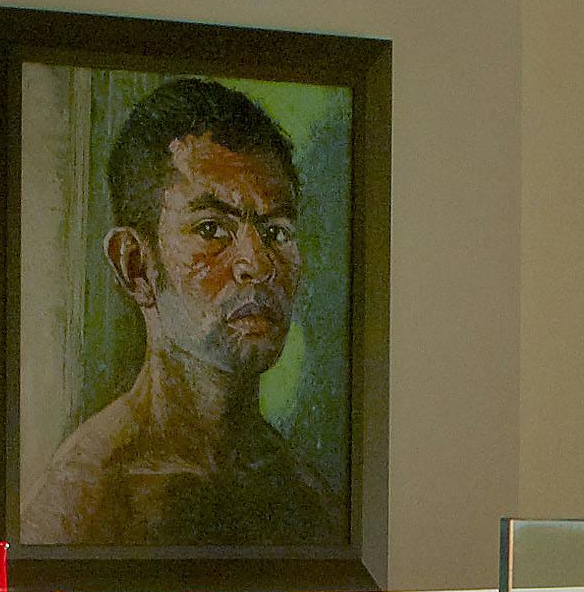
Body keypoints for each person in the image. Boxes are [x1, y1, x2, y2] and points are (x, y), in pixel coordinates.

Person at [24, 76, 349, 553]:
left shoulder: (305, 495)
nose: (257, 264)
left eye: (276, 232)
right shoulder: (82, 500)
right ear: (135, 265)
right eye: (211, 228)